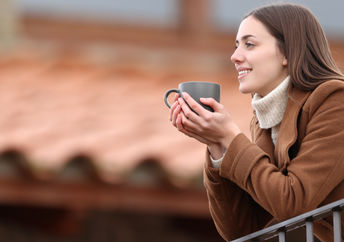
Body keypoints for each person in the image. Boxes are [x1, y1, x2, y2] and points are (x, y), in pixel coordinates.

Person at [169, 3, 344, 241]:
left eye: (249, 44)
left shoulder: (335, 100)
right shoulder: (265, 121)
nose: (235, 56)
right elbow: (242, 228)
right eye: (236, 45)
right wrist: (217, 146)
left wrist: (231, 137)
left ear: (287, 52)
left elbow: (293, 202)